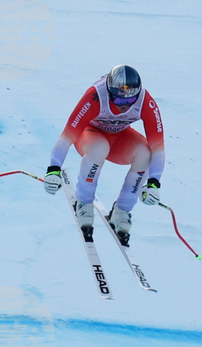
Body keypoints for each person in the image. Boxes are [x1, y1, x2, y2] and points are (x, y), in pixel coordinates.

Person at [42, 65, 165, 246]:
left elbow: (158, 149)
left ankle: (122, 211)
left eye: (130, 99)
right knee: (99, 148)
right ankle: (83, 203)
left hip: (119, 138)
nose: (123, 105)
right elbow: (67, 137)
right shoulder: (95, 95)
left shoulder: (146, 101)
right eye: (117, 99)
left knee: (145, 153)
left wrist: (153, 183)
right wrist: (53, 169)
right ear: (109, 91)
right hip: (90, 135)